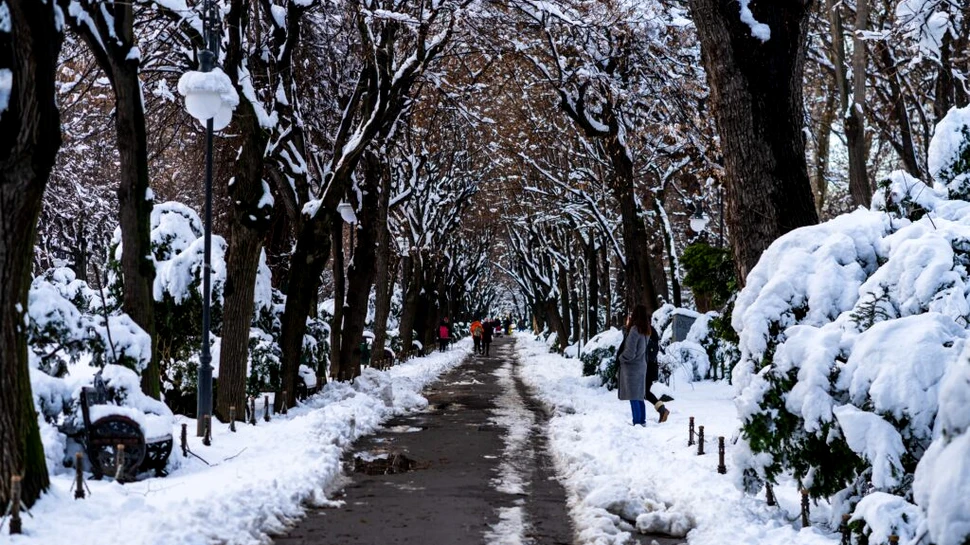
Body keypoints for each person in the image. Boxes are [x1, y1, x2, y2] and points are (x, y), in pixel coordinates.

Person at [617, 304, 669, 425]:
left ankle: (638, 422)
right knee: (640, 395)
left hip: (632, 367)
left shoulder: (635, 330)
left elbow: (630, 352)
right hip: (642, 366)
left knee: (634, 396)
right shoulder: (646, 330)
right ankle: (642, 421)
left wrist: (621, 358)